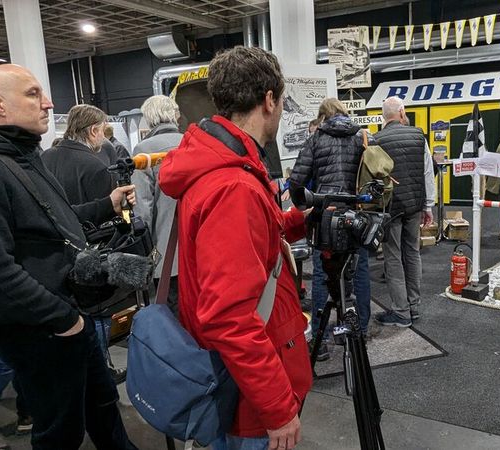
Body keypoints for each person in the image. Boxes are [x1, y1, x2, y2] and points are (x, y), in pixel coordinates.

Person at [0, 61, 137, 450]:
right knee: (59, 434)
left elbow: (53, 223)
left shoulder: (22, 158)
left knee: (103, 409)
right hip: (43, 330)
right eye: (33, 94)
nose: (48, 103)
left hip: (67, 318)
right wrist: (65, 321)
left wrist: (104, 206)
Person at [158, 46, 310, 450]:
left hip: (240, 378)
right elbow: (229, 317)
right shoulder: (234, 186)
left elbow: (254, 242)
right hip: (246, 400)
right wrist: (278, 409)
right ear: (269, 100)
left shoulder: (227, 166)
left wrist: (302, 220)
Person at [41, 104, 126, 384]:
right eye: (101, 130)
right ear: (93, 130)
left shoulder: (45, 157)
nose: (103, 136)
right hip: (90, 251)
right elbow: (109, 215)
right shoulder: (96, 165)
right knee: (98, 314)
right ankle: (101, 372)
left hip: (53, 254)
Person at [288, 98, 372, 360]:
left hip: (325, 217)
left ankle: (321, 340)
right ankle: (360, 330)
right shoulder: (362, 137)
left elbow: (297, 181)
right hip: (355, 215)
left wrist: (305, 205)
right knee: (357, 272)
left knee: (324, 275)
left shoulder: (316, 139)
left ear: (323, 116)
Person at [371, 96, 435, 327]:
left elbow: (374, 178)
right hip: (414, 205)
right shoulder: (419, 135)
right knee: (412, 253)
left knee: (393, 257)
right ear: (401, 112)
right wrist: (428, 205)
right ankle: (414, 307)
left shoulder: (376, 140)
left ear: (383, 117)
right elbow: (428, 172)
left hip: (391, 208)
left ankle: (401, 312)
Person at [131, 95, 183, 312]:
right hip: (201, 250)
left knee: (173, 319)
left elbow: (143, 207)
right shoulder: (191, 142)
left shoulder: (144, 150)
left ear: (149, 118)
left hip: (167, 253)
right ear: (174, 114)